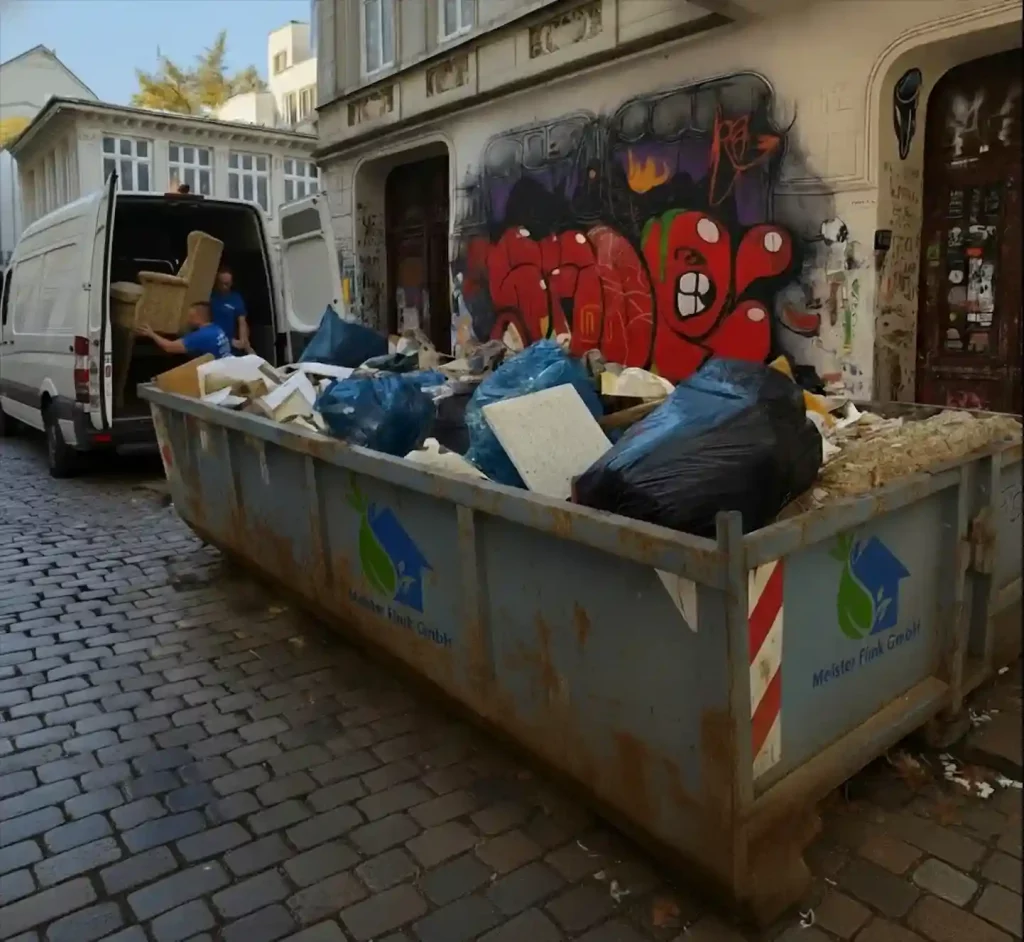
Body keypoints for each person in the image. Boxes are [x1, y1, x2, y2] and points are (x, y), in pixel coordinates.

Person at [137, 300, 231, 359]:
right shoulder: (217, 329)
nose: (188, 320)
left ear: (199, 317)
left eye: (191, 317)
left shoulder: (202, 336)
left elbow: (169, 347)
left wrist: (151, 333)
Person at [210, 267, 251, 354]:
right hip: (214, 342)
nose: (224, 286)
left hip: (232, 347)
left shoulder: (236, 298)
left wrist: (243, 340)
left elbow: (242, 321)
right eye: (221, 283)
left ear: (231, 283)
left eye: (227, 284)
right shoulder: (210, 297)